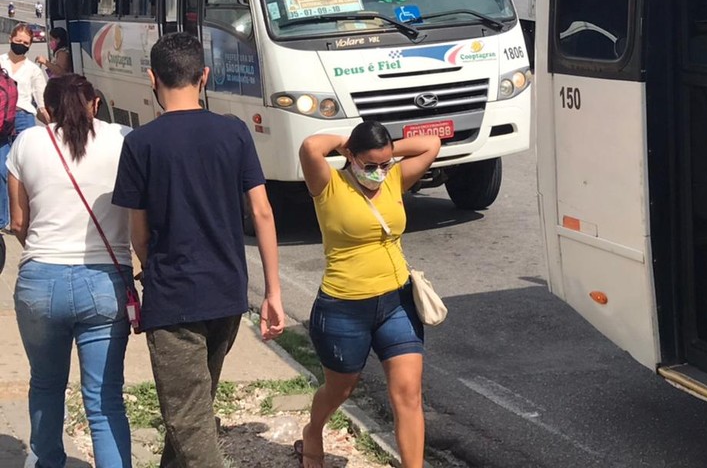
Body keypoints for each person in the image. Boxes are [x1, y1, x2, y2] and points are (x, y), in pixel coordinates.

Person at [111, 32, 284, 466]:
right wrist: (273, 292)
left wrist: (154, 268)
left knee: (188, 419)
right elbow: (262, 213)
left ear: (152, 78)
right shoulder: (234, 132)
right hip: (227, 293)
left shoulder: (140, 144)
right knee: (192, 414)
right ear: (204, 76)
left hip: (174, 299)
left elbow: (139, 233)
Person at [294, 121, 440, 468]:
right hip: (343, 307)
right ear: (350, 157)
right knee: (339, 390)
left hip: (397, 302)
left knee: (408, 394)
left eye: (384, 164)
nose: (378, 172)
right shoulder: (328, 184)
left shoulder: (393, 179)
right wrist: (347, 141)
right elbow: (311, 147)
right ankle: (313, 430)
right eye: (370, 165)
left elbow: (431, 144)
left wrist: (387, 152)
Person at [10, 75, 134, 467]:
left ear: (47, 110)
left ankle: (47, 460)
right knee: (104, 400)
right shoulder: (122, 138)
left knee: (46, 385)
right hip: (105, 282)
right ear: (95, 104)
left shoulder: (27, 142)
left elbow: (17, 222)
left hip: (40, 279)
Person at [0, 24, 48, 230]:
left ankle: (26, 216)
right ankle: (4, 219)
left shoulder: (34, 70)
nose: (21, 45)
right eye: (18, 41)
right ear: (11, 38)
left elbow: (42, 103)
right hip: (2, 120)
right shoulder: (1, 61)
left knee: (26, 171)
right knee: (2, 169)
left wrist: (55, 125)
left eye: (25, 43)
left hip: (23, 119)